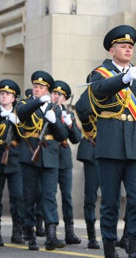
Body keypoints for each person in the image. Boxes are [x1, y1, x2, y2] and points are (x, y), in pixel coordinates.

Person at [87, 25, 136, 258]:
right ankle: (109, 246)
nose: (128, 49)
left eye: (130, 46)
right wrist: (122, 79)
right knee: (110, 203)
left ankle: (134, 244)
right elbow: (98, 91)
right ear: (111, 49)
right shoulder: (99, 73)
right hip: (110, 148)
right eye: (123, 46)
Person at [15, 71, 68, 251]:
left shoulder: (56, 108)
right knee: (29, 197)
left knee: (49, 197)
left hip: (50, 158)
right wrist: (37, 102)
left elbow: (62, 136)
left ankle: (51, 235)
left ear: (47, 89)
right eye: (35, 86)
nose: (37, 89)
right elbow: (21, 114)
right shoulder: (25, 103)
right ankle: (30, 235)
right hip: (30, 156)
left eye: (41, 87)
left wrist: (55, 122)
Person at [0, 79, 25, 246]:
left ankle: (18, 231)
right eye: (2, 93)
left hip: (15, 157)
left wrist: (17, 123)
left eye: (7, 94)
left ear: (14, 98)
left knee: (18, 196)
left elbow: (26, 136)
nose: (4, 96)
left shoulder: (20, 114)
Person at [52, 80, 83, 245]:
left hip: (63, 159)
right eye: (54, 93)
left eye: (60, 95)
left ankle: (69, 231)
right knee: (48, 195)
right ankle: (49, 230)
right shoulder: (47, 111)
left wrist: (70, 124)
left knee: (67, 197)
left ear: (65, 98)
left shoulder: (69, 114)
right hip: (49, 157)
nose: (56, 97)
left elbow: (77, 138)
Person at [74, 75, 101, 249]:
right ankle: (92, 236)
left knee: (112, 198)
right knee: (90, 198)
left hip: (113, 151)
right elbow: (81, 107)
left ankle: (119, 235)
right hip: (93, 150)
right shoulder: (88, 98)